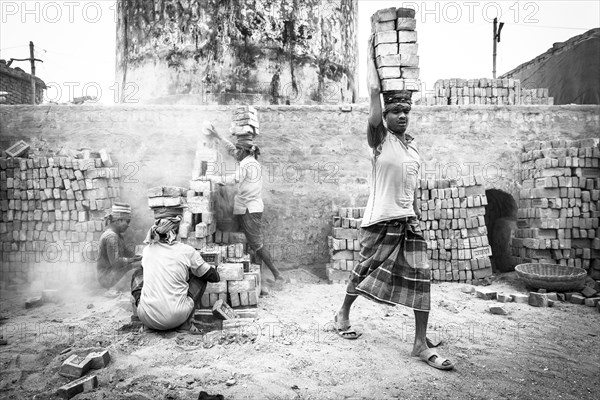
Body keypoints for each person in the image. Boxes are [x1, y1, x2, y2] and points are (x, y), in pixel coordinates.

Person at [333, 35, 454, 371]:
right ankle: (342, 312)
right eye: (396, 111)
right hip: (378, 221)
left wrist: (415, 215)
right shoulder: (378, 141)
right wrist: (373, 54)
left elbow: (412, 188)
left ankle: (419, 343)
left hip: (406, 221)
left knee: (421, 278)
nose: (402, 116)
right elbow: (373, 93)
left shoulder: (413, 149)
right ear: (385, 115)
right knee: (362, 271)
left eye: (406, 111)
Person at [206, 125, 285, 284]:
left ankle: (277, 275)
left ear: (243, 151)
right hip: (246, 208)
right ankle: (257, 276)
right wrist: (218, 136)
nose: (235, 153)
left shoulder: (247, 164)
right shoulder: (248, 160)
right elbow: (231, 150)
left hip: (250, 209)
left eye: (238, 151)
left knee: (256, 243)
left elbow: (233, 179)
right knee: (248, 242)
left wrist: (211, 179)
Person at [131, 207, 220, 331]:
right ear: (176, 230)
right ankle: (186, 324)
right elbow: (213, 277)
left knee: (138, 273)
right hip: (176, 317)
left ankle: (146, 322)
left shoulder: (147, 250)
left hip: (146, 318)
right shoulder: (186, 250)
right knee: (201, 276)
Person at [97, 202, 142, 291]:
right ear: (118, 221)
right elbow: (116, 262)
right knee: (141, 268)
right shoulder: (111, 237)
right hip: (107, 278)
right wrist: (134, 260)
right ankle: (114, 289)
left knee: (141, 264)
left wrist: (137, 256)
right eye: (127, 221)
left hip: (113, 273)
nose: (128, 225)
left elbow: (127, 254)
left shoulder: (117, 235)